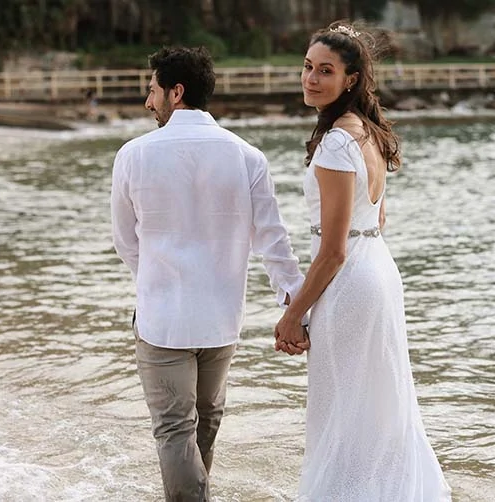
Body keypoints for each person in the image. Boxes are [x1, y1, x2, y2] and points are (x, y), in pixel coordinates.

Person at [110, 46, 309, 501]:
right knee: (205, 422)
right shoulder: (247, 156)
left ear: (176, 92)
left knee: (174, 428)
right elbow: (273, 241)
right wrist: (295, 303)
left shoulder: (133, 155)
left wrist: (158, 277)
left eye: (152, 90)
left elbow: (125, 240)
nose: (148, 101)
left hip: (163, 321)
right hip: (221, 320)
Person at [274, 22, 453, 501]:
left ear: (350, 79)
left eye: (325, 70)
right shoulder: (367, 132)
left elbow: (334, 250)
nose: (311, 78)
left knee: (344, 408)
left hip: (351, 280)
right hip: (378, 270)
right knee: (376, 403)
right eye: (308, 67)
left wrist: (293, 315)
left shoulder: (337, 142)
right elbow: (377, 219)